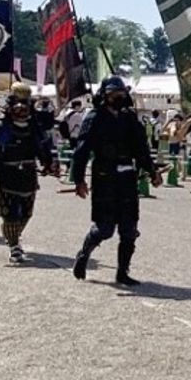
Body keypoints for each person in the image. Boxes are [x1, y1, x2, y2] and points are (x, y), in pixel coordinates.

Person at [71, 75, 161, 287]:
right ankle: (84, 254)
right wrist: (79, 179)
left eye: (121, 93)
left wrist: (152, 171)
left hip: (127, 176)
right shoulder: (94, 117)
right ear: (105, 95)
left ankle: (122, 271)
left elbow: (141, 149)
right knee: (104, 228)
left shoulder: (129, 118)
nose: (118, 97)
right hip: (104, 176)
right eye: (113, 94)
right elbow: (81, 150)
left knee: (129, 229)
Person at [0, 81, 59, 263]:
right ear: (10, 105)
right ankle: (14, 246)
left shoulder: (35, 127)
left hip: (28, 173)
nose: (21, 109)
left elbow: (43, 147)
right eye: (17, 105)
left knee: (26, 213)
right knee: (10, 212)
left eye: (25, 105)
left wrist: (48, 163)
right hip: (7, 173)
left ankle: (13, 235)